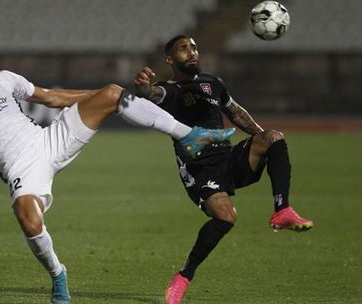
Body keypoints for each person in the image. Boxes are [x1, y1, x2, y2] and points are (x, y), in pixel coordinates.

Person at [0, 31, 235, 304]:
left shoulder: (4, 78)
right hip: (23, 169)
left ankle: (189, 135)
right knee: (26, 214)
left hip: (49, 140)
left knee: (113, 92)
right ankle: (58, 275)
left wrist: (100, 96)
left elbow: (51, 97)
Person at [133, 34, 314, 304]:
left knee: (274, 137)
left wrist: (263, 140)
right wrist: (145, 88)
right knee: (226, 217)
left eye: (194, 47)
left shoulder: (213, 83)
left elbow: (237, 114)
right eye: (183, 49)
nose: (191, 52)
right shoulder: (170, 90)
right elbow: (153, 94)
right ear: (170, 60)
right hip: (199, 169)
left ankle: (282, 211)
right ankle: (182, 278)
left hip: (228, 158)